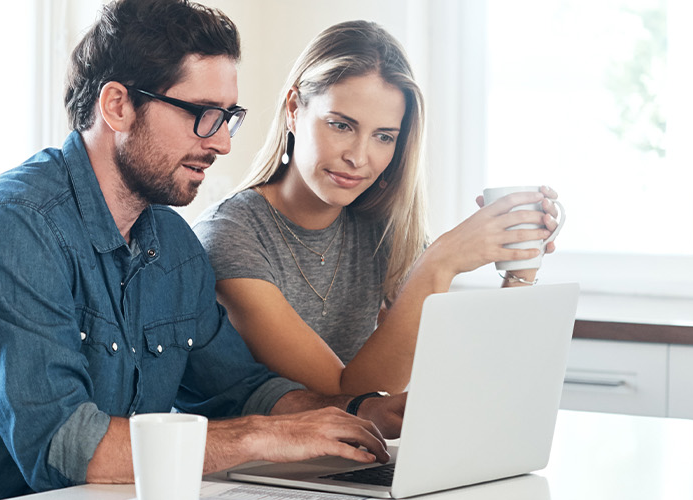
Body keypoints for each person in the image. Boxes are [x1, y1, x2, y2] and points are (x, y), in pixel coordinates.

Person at [0, 2, 409, 498]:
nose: (222, 142)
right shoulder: (10, 229)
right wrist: (264, 436)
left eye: (228, 118)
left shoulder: (172, 245)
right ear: (118, 106)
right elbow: (65, 448)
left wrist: (363, 410)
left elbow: (241, 390)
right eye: (202, 114)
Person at [192, 21, 562, 396]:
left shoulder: (382, 231)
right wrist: (440, 262)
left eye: (383, 136)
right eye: (341, 125)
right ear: (293, 109)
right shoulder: (230, 235)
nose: (358, 157)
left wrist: (520, 266)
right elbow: (348, 396)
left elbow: (457, 377)